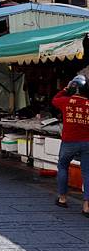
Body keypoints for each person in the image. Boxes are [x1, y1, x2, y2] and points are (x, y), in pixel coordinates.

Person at [51, 74, 89, 216]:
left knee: (62, 166)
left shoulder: (66, 101)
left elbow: (54, 100)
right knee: (87, 172)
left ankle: (62, 199)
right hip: (87, 142)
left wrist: (65, 89)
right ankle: (86, 207)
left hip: (69, 141)